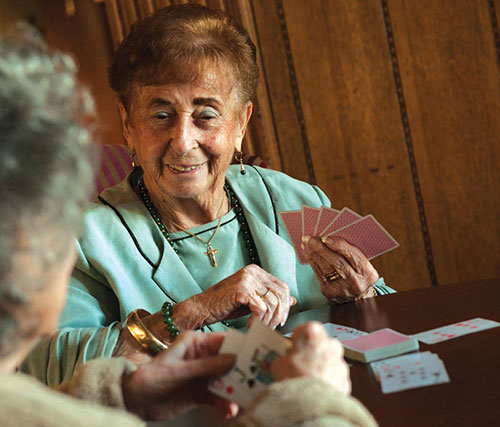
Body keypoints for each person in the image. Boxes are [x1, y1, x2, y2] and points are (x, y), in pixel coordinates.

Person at [0, 28, 378, 427]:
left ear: (240, 123)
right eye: (160, 115)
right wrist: (191, 311)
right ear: (128, 124)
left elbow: (383, 321)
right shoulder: (82, 236)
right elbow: (39, 368)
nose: (183, 140)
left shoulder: (296, 199)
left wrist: (362, 293)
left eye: (206, 115)